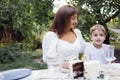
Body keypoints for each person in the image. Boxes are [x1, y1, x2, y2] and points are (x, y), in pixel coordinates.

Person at [42, 5, 88, 69]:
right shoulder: (51, 36)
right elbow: (47, 58)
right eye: (73, 19)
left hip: (77, 71)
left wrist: (97, 44)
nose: (76, 22)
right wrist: (62, 64)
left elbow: (84, 48)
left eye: (76, 18)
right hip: (59, 72)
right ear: (63, 20)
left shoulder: (76, 32)